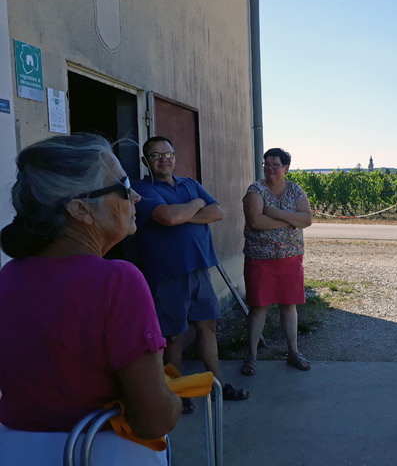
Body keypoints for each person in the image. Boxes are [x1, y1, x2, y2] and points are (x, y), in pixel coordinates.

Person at [0, 134, 181, 453]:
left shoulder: (9, 275)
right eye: (124, 187)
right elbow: (154, 420)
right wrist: (173, 400)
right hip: (92, 453)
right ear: (81, 209)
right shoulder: (117, 280)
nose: (136, 196)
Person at [133, 136, 248, 408]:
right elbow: (168, 218)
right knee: (172, 335)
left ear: (175, 156)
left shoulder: (190, 184)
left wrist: (184, 212)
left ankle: (216, 385)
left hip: (199, 267)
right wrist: (196, 205)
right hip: (167, 273)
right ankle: (177, 392)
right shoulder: (141, 188)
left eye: (168, 154)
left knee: (207, 326)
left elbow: (218, 212)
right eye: (156, 155)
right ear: (145, 161)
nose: (164, 159)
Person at [240, 148, 313, 376]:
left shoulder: (295, 189)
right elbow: (256, 222)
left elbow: (307, 219)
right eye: (267, 164)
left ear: (286, 168)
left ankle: (293, 352)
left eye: (275, 165)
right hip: (260, 260)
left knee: (288, 305)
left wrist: (277, 213)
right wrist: (291, 220)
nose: (270, 168)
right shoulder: (256, 190)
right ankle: (251, 356)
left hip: (290, 259)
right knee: (258, 308)